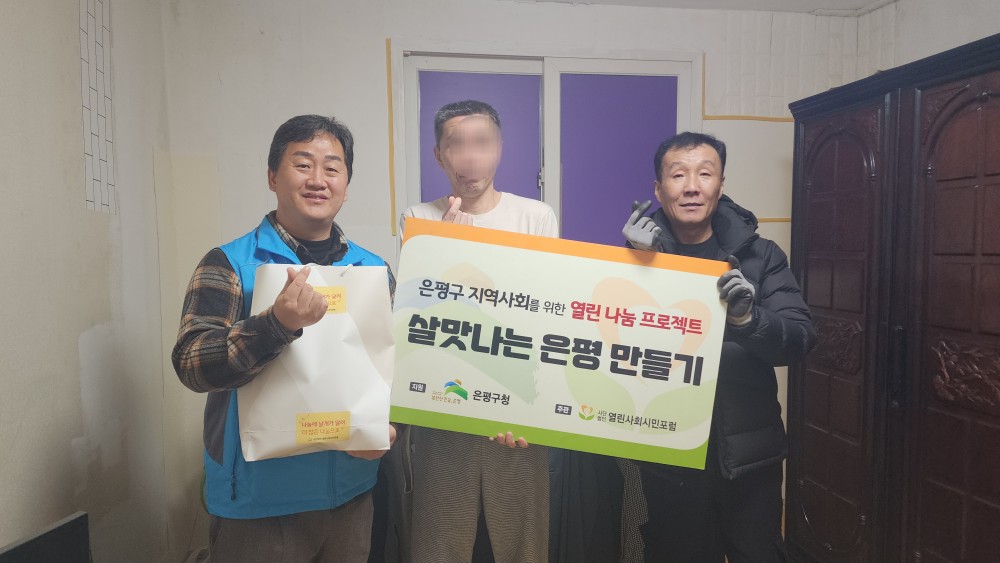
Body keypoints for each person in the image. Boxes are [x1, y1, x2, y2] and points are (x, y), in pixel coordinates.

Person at [173, 114, 396, 563]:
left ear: (346, 185)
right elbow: (193, 365)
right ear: (273, 176)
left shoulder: (373, 271)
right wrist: (275, 324)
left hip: (351, 494)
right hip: (259, 501)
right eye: (303, 164)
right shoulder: (230, 263)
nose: (318, 180)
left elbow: (396, 369)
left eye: (332, 168)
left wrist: (393, 428)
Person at [621, 131, 816, 562]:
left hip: (749, 454)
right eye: (678, 175)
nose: (692, 186)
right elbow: (613, 349)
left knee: (757, 553)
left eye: (705, 174)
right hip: (668, 453)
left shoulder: (762, 256)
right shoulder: (634, 260)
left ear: (721, 184)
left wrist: (749, 319)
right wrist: (639, 265)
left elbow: (799, 340)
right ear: (659, 189)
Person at [398, 100, 557, 563]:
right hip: (444, 401)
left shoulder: (535, 216)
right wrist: (444, 253)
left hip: (518, 397)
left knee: (523, 540)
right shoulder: (418, 217)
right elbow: (418, 320)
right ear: (439, 155)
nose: (470, 157)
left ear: (500, 148)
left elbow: (541, 310)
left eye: (482, 143)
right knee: (439, 539)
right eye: (457, 145)